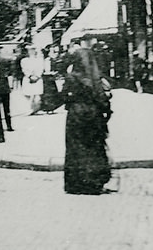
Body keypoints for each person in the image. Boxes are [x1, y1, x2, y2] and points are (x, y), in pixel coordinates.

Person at [63, 42, 113, 195]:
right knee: (93, 148)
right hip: (92, 115)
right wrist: (106, 106)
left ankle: (76, 183)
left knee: (76, 149)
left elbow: (64, 96)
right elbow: (102, 99)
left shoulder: (71, 77)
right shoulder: (95, 79)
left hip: (75, 116)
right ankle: (93, 183)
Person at [20, 47, 44, 115]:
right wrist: (30, 76)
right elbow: (24, 69)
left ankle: (35, 108)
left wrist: (37, 76)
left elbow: (41, 68)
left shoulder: (39, 60)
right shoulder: (24, 60)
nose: (32, 52)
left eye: (33, 50)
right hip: (28, 79)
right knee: (28, 94)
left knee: (37, 94)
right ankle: (30, 108)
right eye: (30, 50)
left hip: (37, 78)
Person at [0, 50, 14, 131]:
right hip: (4, 85)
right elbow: (9, 74)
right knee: (7, 107)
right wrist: (11, 86)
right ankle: (9, 125)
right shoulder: (5, 61)